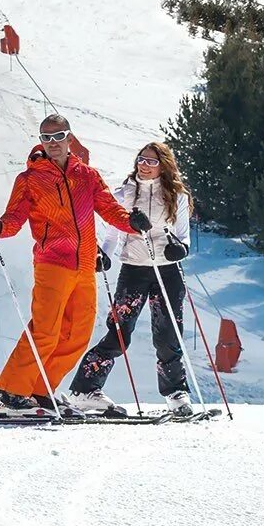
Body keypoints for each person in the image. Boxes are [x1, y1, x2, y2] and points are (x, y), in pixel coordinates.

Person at [0, 113, 148, 416]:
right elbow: (14, 219)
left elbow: (109, 208)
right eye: (47, 137)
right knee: (45, 330)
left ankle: (41, 389)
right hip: (52, 262)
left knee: (77, 334)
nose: (53, 143)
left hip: (84, 265)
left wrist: (131, 222)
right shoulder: (29, 180)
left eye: (59, 136)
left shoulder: (87, 176)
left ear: (70, 138)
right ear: (40, 140)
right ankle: (9, 391)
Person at [67, 142, 196, 419]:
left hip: (167, 270)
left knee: (168, 333)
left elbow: (183, 236)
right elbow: (113, 233)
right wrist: (105, 255)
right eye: (141, 159)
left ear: (163, 165)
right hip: (134, 269)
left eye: (151, 161)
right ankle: (84, 389)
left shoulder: (177, 196)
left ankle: (176, 393)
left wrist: (180, 249)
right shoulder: (124, 193)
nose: (144, 165)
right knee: (119, 331)